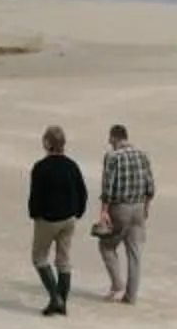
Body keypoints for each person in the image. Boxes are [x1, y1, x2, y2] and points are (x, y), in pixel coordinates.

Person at [27, 124, 87, 317]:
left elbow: (35, 196)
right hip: (69, 219)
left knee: (39, 257)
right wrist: (77, 212)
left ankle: (56, 298)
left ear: (47, 143)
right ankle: (62, 303)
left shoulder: (41, 167)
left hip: (48, 219)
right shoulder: (72, 165)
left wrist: (35, 214)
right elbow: (82, 192)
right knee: (64, 260)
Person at [98, 122, 155, 303]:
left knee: (106, 246)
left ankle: (117, 284)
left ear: (114, 138)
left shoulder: (113, 156)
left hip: (120, 207)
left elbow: (108, 186)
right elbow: (150, 185)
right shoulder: (142, 155)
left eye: (110, 138)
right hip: (139, 206)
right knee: (134, 252)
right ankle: (131, 296)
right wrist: (146, 207)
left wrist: (104, 211)